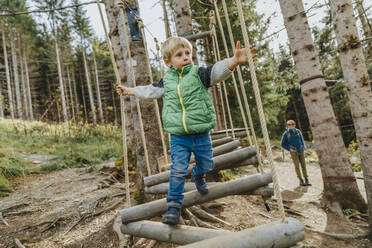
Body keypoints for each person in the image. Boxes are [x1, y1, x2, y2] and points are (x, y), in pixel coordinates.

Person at [117, 36, 255, 225]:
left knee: (207, 165)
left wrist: (233, 62)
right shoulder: (167, 81)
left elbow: (216, 72)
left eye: (188, 53)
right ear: (168, 62)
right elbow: (150, 90)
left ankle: (199, 174)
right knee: (178, 170)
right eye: (179, 54)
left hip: (200, 133)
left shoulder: (199, 74)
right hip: (178, 136)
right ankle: (173, 206)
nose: (185, 57)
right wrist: (131, 91)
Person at [280, 120, 311, 187]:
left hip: (301, 150)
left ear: (295, 124)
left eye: (293, 124)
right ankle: (301, 180)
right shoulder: (286, 134)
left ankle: (306, 179)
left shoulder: (298, 131)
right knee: (297, 166)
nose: (291, 125)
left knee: (303, 165)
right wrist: (289, 149)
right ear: (287, 126)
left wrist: (303, 147)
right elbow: (282, 144)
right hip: (293, 152)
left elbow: (302, 140)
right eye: (289, 124)